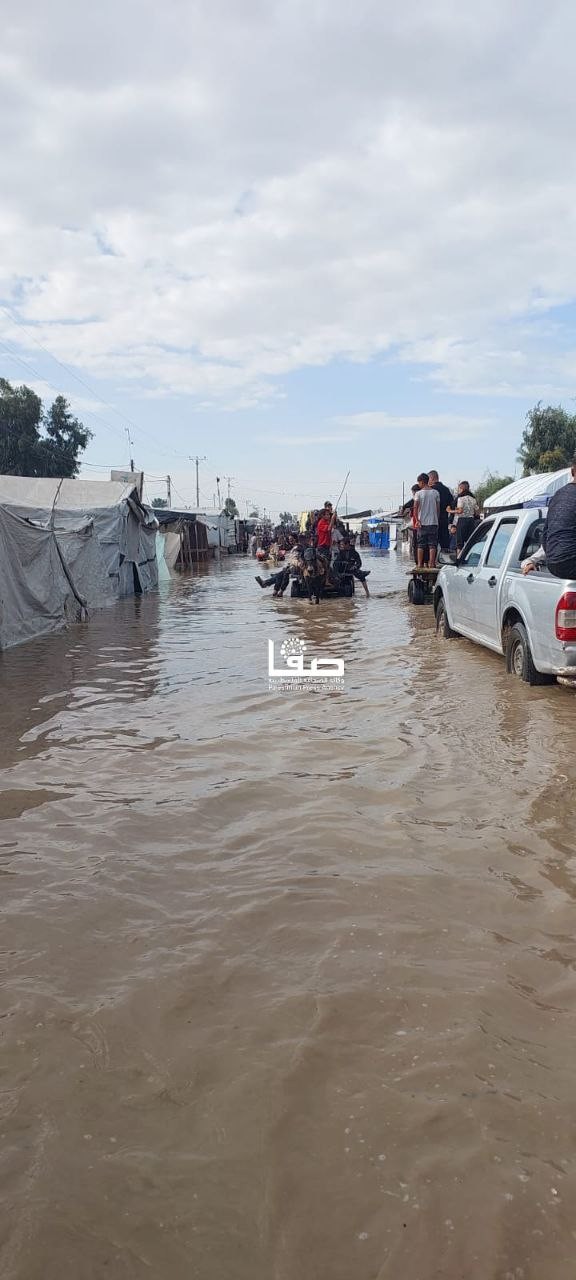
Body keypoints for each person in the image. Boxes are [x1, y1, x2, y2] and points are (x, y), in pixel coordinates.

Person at [522, 460, 576, 579]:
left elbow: (547, 536)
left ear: (572, 472)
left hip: (553, 565)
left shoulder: (557, 496)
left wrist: (531, 560)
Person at [413, 473, 440, 568]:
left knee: (421, 545)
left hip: (422, 523)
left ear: (421, 482)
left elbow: (415, 508)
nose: (418, 485)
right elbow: (438, 509)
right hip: (433, 522)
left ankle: (420, 564)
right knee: (432, 544)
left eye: (418, 483)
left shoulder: (418, 493)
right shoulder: (436, 493)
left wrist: (417, 520)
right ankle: (431, 563)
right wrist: (436, 519)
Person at [448, 482, 479, 552]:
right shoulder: (473, 499)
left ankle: (459, 557)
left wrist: (450, 511)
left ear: (462, 488)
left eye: (459, 489)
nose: (458, 491)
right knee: (469, 542)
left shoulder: (460, 499)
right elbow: (477, 512)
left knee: (459, 544)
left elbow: (460, 511)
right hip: (471, 521)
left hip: (462, 521)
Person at [428, 470, 455, 552]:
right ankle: (445, 557)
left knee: (432, 544)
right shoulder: (446, 490)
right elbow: (452, 504)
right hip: (444, 519)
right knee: (444, 544)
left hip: (432, 520)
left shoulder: (431, 490)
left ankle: (432, 559)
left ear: (432, 478)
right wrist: (450, 519)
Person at [315, 501, 337, 566]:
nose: (329, 516)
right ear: (322, 515)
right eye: (327, 515)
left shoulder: (327, 521)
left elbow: (332, 526)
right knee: (325, 564)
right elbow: (329, 528)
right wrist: (332, 518)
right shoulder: (321, 523)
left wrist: (333, 517)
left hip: (328, 546)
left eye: (329, 514)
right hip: (322, 547)